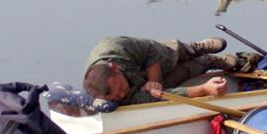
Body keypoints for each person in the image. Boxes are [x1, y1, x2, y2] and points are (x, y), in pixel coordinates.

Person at [83, 35, 236, 105]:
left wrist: (153, 81)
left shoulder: (116, 47)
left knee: (169, 55)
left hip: (149, 56)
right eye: (115, 98)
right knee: (177, 77)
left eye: (121, 88)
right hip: (140, 83)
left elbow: (150, 51)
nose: (122, 95)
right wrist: (204, 89)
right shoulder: (108, 95)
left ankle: (194, 48)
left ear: (115, 68)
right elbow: (156, 97)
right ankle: (208, 61)